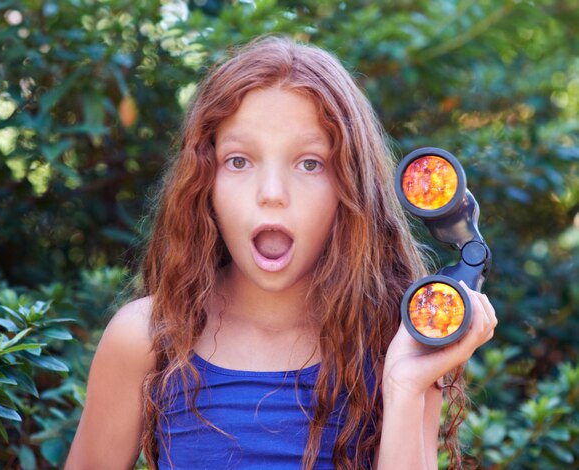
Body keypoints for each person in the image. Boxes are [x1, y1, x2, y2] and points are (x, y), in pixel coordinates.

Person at [65, 35, 496, 469]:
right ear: (203, 182)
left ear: (350, 188)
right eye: (239, 161)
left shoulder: (398, 338)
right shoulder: (146, 337)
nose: (272, 194)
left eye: (309, 163)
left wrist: (404, 386)